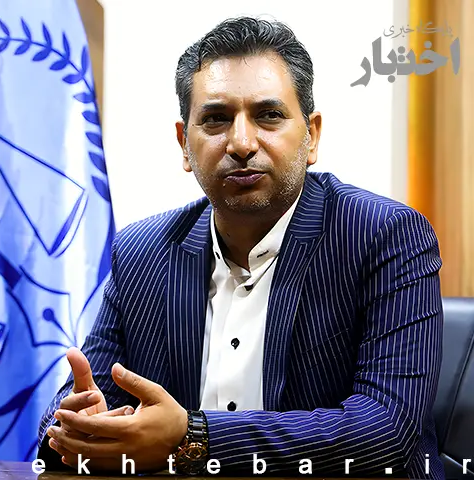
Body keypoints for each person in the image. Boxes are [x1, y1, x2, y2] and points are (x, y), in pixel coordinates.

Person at [37, 16, 444, 478]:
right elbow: (74, 413)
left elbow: (386, 431)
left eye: (269, 115)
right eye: (216, 119)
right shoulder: (141, 253)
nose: (242, 143)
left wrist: (192, 437)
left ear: (311, 136)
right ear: (184, 145)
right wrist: (79, 427)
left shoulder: (384, 235)